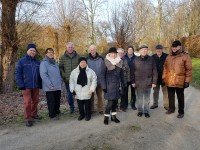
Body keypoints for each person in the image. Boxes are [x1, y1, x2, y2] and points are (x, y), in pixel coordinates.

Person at [162, 40, 192, 118]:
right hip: (170, 80)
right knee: (170, 96)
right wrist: (164, 78)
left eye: (175, 47)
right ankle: (171, 109)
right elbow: (165, 67)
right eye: (173, 47)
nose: (174, 48)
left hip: (180, 80)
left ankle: (181, 112)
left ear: (179, 47)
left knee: (180, 97)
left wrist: (187, 81)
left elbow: (189, 69)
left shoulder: (185, 56)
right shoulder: (169, 56)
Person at [15, 43, 42, 127]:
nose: (32, 52)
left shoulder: (38, 62)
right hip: (26, 86)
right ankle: (28, 118)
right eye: (31, 50)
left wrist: (40, 84)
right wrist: (20, 84)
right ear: (27, 51)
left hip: (36, 86)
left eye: (34, 50)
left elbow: (40, 74)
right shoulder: (21, 61)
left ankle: (34, 114)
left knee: (36, 101)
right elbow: (18, 73)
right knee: (27, 103)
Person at [132, 45, 158, 118]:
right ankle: (140, 111)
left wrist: (154, 82)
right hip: (138, 83)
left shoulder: (151, 59)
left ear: (147, 51)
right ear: (140, 51)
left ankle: (146, 111)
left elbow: (155, 71)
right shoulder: (136, 60)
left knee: (147, 99)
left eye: (146, 49)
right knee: (140, 99)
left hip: (148, 82)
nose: (144, 51)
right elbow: (132, 72)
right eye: (143, 49)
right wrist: (133, 82)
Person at [101, 47, 124, 125]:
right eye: (112, 53)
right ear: (109, 54)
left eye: (115, 53)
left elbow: (121, 74)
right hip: (109, 86)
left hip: (117, 85)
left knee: (115, 102)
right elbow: (102, 75)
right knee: (110, 103)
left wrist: (123, 84)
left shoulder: (120, 61)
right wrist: (104, 86)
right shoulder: (105, 62)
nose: (113, 55)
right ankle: (106, 116)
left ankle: (113, 116)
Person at [69, 57, 97, 121]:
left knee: (87, 105)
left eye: (84, 62)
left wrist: (92, 90)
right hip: (78, 91)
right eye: (81, 62)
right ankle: (82, 114)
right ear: (79, 63)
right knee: (80, 105)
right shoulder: (74, 72)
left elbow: (94, 81)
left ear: (86, 63)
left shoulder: (91, 71)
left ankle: (88, 115)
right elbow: (71, 81)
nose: (83, 63)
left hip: (87, 91)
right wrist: (72, 89)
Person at [40, 48, 62, 120]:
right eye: (49, 52)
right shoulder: (44, 63)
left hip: (57, 85)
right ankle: (52, 115)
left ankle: (56, 111)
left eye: (52, 52)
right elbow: (43, 75)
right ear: (46, 53)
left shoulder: (55, 62)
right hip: (50, 86)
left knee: (57, 100)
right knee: (51, 101)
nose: (51, 53)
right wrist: (49, 85)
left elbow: (58, 73)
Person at [59, 42, 80, 113]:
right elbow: (60, 67)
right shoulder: (62, 57)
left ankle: (80, 107)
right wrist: (64, 75)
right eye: (69, 47)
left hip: (77, 80)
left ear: (73, 48)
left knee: (78, 94)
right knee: (69, 95)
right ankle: (71, 108)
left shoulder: (78, 56)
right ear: (66, 48)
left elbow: (81, 66)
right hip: (67, 80)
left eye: (71, 47)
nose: (70, 48)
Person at [87, 45, 104, 114]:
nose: (92, 51)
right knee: (91, 96)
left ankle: (100, 109)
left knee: (99, 96)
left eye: (93, 50)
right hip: (91, 82)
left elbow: (103, 69)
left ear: (96, 50)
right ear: (89, 51)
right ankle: (91, 109)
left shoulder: (101, 59)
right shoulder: (87, 59)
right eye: (91, 50)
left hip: (99, 81)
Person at [150, 44, 169, 110]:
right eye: (157, 49)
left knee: (165, 92)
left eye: (160, 49)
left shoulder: (166, 56)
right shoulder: (152, 57)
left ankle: (166, 105)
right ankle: (155, 104)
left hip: (164, 77)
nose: (158, 50)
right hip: (156, 78)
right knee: (155, 92)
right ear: (156, 50)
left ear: (162, 49)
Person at [124, 45, 137, 110]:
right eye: (129, 49)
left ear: (133, 50)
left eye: (131, 50)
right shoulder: (124, 57)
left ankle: (133, 104)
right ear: (127, 50)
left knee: (133, 93)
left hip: (133, 78)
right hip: (126, 78)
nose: (130, 51)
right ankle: (125, 105)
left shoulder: (136, 58)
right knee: (125, 93)